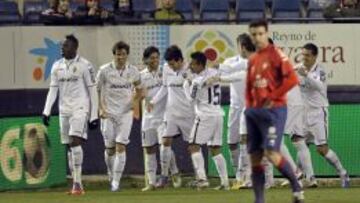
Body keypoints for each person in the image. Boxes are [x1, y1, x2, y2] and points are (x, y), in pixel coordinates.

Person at [245, 20, 304, 203]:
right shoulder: (253, 59)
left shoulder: (277, 55)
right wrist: (248, 108)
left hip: (274, 112)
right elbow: (249, 87)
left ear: (266, 33)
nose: (257, 37)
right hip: (254, 113)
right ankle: (259, 200)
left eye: (260, 33)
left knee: (271, 153)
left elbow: (292, 79)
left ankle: (296, 186)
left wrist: (274, 96)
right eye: (253, 34)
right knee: (255, 158)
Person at [42, 34, 99, 195]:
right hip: (64, 110)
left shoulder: (85, 65)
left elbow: (92, 90)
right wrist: (46, 111)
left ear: (74, 48)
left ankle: (78, 184)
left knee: (75, 141)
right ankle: (74, 182)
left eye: (66, 46)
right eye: (62, 45)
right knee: (68, 145)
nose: (62, 48)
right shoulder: (56, 66)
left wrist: (94, 115)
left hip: (80, 109)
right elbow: (53, 90)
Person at [297, 43, 350, 188]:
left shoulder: (320, 70)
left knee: (322, 149)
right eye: (303, 54)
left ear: (314, 56)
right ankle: (304, 176)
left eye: (307, 55)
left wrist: (306, 74)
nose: (304, 58)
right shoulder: (298, 68)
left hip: (318, 112)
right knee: (301, 143)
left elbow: (319, 86)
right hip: (303, 113)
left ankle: (343, 172)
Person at [206, 33, 255, 190]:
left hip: (251, 107)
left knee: (245, 141)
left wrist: (217, 69)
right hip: (236, 107)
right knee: (233, 143)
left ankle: (246, 177)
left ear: (243, 46)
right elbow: (225, 71)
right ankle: (239, 176)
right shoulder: (232, 61)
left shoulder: (253, 61)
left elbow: (236, 73)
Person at [96, 41, 142, 192]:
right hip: (108, 113)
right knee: (110, 149)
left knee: (120, 146)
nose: (120, 57)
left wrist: (135, 105)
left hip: (125, 114)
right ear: (113, 55)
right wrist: (100, 109)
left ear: (127, 55)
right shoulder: (104, 70)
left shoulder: (134, 71)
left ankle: (116, 182)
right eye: (117, 54)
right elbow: (95, 91)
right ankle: (111, 174)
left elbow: (140, 89)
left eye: (123, 54)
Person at [148, 45, 194, 188]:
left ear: (180, 60)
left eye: (173, 63)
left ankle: (200, 177)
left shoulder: (190, 70)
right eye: (168, 64)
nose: (170, 66)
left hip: (188, 114)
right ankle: (164, 176)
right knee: (165, 141)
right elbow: (164, 87)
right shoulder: (167, 68)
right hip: (171, 113)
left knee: (193, 146)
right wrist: (153, 101)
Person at [184, 51, 229, 190]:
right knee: (215, 149)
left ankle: (202, 180)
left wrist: (187, 83)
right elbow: (220, 73)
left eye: (192, 63)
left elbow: (191, 99)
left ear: (199, 64)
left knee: (193, 146)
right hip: (218, 114)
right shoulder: (214, 72)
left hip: (205, 115)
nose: (190, 65)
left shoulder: (197, 80)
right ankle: (225, 182)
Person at [140, 46, 180, 191]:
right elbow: (138, 94)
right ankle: (151, 182)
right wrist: (139, 95)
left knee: (165, 145)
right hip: (148, 117)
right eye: (152, 58)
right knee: (149, 149)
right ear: (145, 60)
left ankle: (169, 175)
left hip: (164, 114)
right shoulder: (141, 76)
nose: (155, 60)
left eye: (157, 57)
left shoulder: (166, 70)